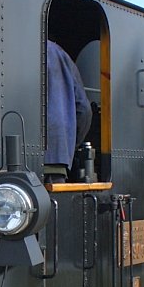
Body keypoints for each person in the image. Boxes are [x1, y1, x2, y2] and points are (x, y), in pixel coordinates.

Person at [44, 40, 93, 183]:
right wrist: (70, 144)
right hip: (55, 155)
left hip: (10, 157)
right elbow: (84, 110)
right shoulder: (59, 53)